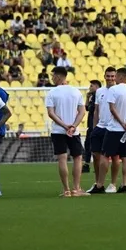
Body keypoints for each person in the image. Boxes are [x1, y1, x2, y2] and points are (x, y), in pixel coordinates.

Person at [45, 67, 87, 197]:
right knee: (77, 158)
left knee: (62, 159)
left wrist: (64, 125)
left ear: (58, 76)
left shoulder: (52, 93)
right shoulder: (76, 91)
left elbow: (51, 113)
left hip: (58, 131)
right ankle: (76, 188)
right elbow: (82, 111)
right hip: (73, 131)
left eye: (53, 76)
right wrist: (73, 126)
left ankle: (66, 190)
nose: (52, 78)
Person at [104, 67, 126, 193]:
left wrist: (122, 123)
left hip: (114, 129)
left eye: (116, 76)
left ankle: (109, 184)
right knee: (125, 156)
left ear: (121, 77)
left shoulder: (113, 89)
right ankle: (124, 184)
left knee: (107, 155)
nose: (115, 78)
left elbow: (112, 109)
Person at [88, 68, 119, 193]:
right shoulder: (99, 91)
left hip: (113, 128)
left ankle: (113, 184)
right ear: (104, 76)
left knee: (115, 157)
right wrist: (94, 127)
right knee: (96, 156)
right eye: (108, 76)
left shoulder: (118, 91)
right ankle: (98, 183)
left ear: (116, 77)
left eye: (112, 76)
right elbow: (96, 110)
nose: (110, 78)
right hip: (100, 127)